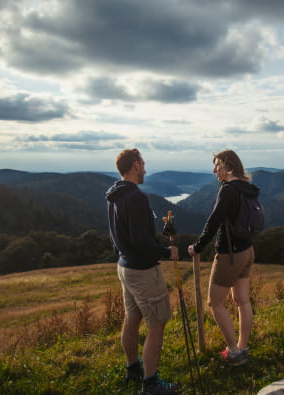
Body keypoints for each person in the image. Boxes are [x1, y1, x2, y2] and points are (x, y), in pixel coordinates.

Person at [106, 148, 179, 394]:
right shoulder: (136, 197)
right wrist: (167, 253)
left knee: (132, 317)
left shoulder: (115, 195)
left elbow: (118, 235)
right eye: (143, 164)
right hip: (142, 270)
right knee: (157, 323)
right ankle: (151, 384)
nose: (146, 169)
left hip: (124, 266)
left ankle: (133, 368)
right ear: (135, 165)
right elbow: (142, 242)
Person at [188, 149, 258, 366]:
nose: (214, 169)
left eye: (217, 165)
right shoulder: (248, 188)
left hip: (230, 254)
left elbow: (214, 220)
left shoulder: (228, 190)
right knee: (242, 300)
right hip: (247, 251)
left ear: (228, 166)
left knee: (215, 302)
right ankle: (243, 346)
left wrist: (198, 246)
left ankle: (234, 351)